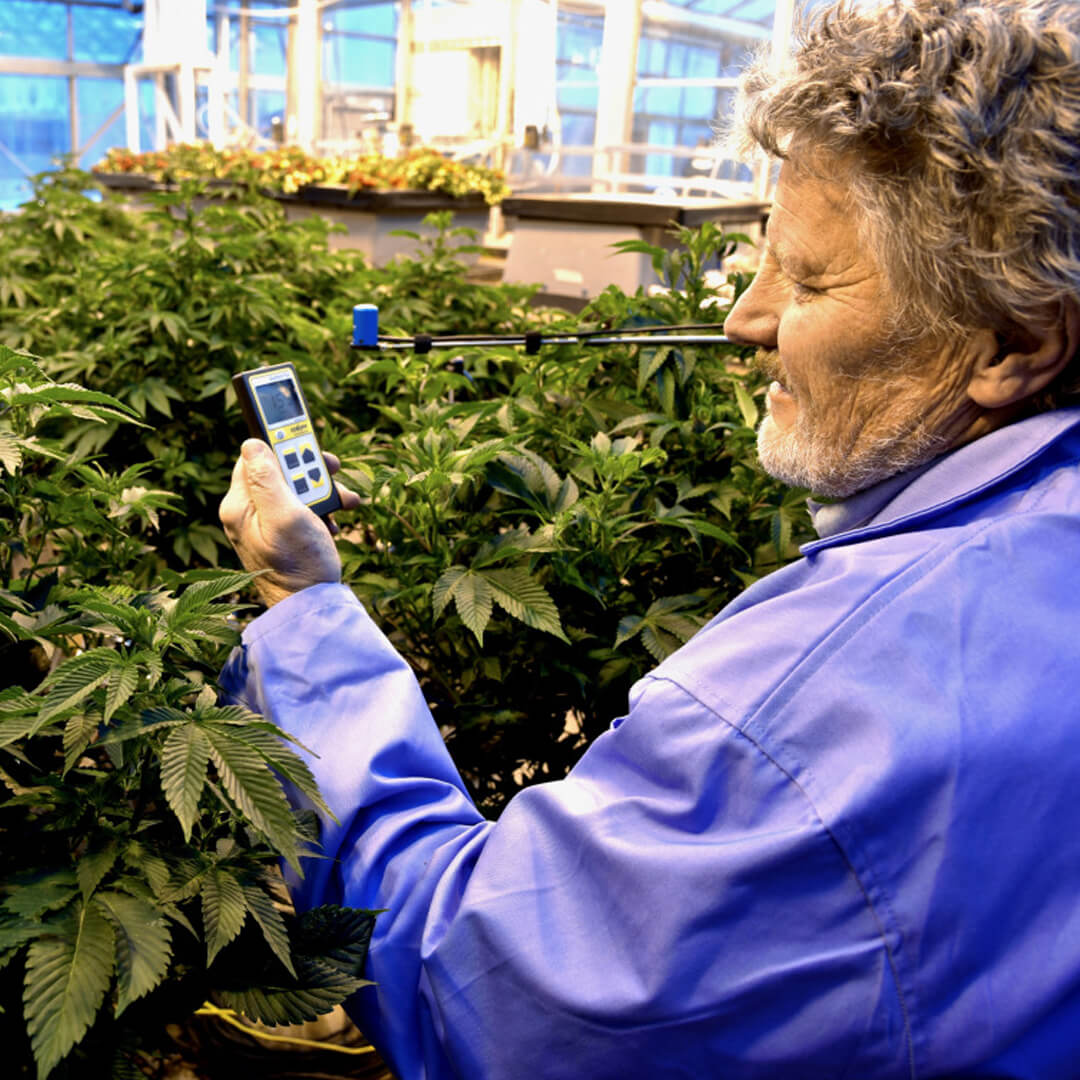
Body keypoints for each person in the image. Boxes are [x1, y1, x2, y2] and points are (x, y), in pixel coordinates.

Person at [218, 0, 1080, 1075]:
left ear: (1013, 340)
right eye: (760, 262)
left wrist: (304, 622)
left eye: (811, 280)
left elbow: (484, 992)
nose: (745, 319)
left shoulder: (805, 724)